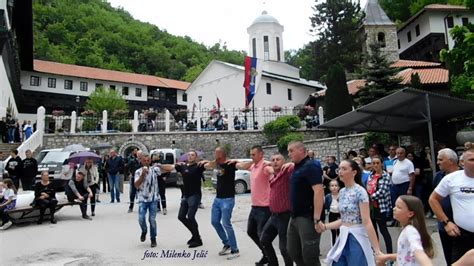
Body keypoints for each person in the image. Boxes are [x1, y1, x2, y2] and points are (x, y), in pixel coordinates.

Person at [323, 159, 381, 266]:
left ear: (354, 172)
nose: (340, 171)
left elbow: (367, 221)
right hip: (343, 235)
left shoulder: (360, 192)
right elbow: (344, 219)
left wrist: (377, 250)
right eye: (339, 169)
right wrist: (325, 226)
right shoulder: (342, 191)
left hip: (357, 237)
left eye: (344, 169)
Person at [429, 145, 474, 263]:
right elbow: (433, 199)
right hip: (462, 236)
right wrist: (446, 222)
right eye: (472, 160)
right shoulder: (451, 179)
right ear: (462, 162)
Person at [286, 141, 324, 266]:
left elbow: (318, 191)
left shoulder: (311, 165)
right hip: (295, 216)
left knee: (310, 256)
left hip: (307, 217)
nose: (289, 154)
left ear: (301, 151)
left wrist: (317, 219)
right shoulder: (296, 167)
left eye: (291, 151)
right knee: (293, 251)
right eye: (288, 151)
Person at [233, 145, 272, 265]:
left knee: (263, 236)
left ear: (261, 154)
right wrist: (233, 161)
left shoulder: (265, 165)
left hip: (264, 208)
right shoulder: (254, 166)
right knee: (251, 232)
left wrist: (274, 166)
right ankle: (266, 254)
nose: (251, 157)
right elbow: (239, 165)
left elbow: (272, 170)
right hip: (255, 207)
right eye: (250, 155)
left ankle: (270, 259)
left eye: (253, 155)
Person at [160, 149, 205, 248]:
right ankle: (195, 235)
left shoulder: (199, 166)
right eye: (189, 154)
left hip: (195, 195)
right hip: (186, 195)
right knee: (181, 216)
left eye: (192, 155)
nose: (190, 156)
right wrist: (159, 166)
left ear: (195, 157)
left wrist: (207, 162)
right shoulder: (182, 166)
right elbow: (170, 167)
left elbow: (209, 165)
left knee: (191, 216)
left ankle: (197, 239)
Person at [202, 147, 240, 260]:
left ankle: (235, 249)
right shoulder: (217, 164)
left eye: (216, 152)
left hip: (228, 199)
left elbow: (242, 165)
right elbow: (207, 166)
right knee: (214, 222)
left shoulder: (230, 164)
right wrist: (210, 161)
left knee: (226, 224)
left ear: (222, 154)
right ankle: (227, 243)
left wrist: (236, 160)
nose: (214, 154)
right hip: (217, 199)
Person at [376, 195, 433, 266]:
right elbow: (404, 255)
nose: (394, 209)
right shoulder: (407, 229)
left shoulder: (410, 231)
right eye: (395, 206)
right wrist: (387, 257)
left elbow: (418, 251)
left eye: (399, 207)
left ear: (410, 213)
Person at [260, 153, 294, 266]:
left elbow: (295, 166)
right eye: (273, 160)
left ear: (283, 162)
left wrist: (290, 163)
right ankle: (273, 263)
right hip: (274, 216)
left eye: (278, 159)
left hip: (285, 216)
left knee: (284, 249)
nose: (275, 161)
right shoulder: (274, 175)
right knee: (264, 239)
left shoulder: (286, 173)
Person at [431, 148, 459, 265]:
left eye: (440, 160)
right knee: (449, 256)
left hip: (461, 225)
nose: (438, 162)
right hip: (444, 224)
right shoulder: (438, 176)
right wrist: (444, 221)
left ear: (451, 161)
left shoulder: (464, 175)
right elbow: (433, 199)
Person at [366, 156, 393, 254]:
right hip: (371, 207)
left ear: (381, 164)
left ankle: (389, 252)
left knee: (383, 230)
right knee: (373, 230)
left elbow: (383, 191)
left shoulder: (385, 175)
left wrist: (369, 197)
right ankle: (377, 251)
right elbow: (368, 186)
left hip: (380, 206)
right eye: (374, 163)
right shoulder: (370, 175)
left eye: (378, 163)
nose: (376, 165)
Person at [134, 154, 160, 248]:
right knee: (141, 219)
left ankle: (153, 238)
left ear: (150, 161)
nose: (146, 162)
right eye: (144, 160)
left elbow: (168, 169)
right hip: (142, 199)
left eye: (147, 160)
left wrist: (160, 165)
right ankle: (144, 231)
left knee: (152, 220)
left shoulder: (155, 170)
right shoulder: (138, 172)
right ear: (141, 161)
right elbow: (136, 185)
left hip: (153, 199)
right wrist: (143, 175)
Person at [390, 147, 415, 226]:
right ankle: (395, 219)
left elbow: (412, 176)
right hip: (394, 185)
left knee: (404, 203)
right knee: (394, 203)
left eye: (401, 153)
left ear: (404, 153)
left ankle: (406, 220)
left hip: (404, 184)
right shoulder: (394, 162)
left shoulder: (408, 163)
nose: (399, 155)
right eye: (398, 153)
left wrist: (410, 188)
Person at [325, 179, 341, 246]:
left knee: (340, 232)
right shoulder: (328, 196)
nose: (334, 187)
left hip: (339, 215)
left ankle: (341, 245)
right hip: (331, 214)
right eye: (332, 186)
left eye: (336, 185)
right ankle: (333, 246)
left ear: (338, 187)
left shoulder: (341, 195)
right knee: (333, 232)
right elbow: (326, 206)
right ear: (329, 187)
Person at [127, 149, 142, 213]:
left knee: (142, 193)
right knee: (133, 193)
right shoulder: (132, 161)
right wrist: (129, 174)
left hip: (142, 179)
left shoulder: (144, 161)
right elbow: (126, 167)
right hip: (134, 178)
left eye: (140, 154)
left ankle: (142, 206)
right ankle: (131, 207)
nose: (139, 155)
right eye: (138, 154)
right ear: (136, 155)